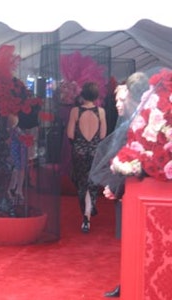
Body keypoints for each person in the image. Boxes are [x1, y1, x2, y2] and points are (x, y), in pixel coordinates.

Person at [89, 72, 149, 298]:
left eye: (121, 99)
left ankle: (131, 282)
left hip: (134, 193)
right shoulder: (132, 122)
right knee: (129, 241)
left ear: (134, 98)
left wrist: (115, 186)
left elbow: (137, 161)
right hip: (127, 191)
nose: (117, 103)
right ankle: (127, 281)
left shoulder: (140, 124)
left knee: (136, 241)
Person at [66, 82, 107, 233]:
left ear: (82, 94)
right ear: (96, 96)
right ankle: (89, 210)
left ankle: (86, 214)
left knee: (82, 183)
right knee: (92, 183)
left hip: (79, 151)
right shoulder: (101, 112)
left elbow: (70, 134)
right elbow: (103, 135)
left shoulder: (75, 111)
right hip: (95, 150)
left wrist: (78, 142)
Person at [7, 114, 29, 202]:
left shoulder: (14, 130)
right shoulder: (13, 131)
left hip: (20, 151)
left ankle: (17, 190)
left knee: (18, 169)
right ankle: (15, 189)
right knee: (17, 170)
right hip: (17, 152)